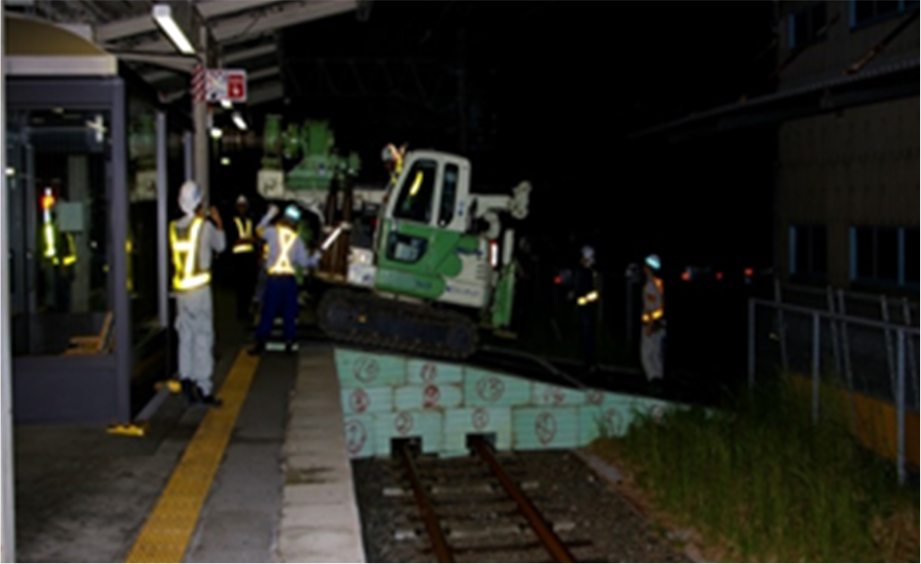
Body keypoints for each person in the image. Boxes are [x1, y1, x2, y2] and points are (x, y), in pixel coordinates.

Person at [169, 180, 225, 406]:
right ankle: (204, 387)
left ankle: (186, 380)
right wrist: (218, 222)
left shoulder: (175, 227)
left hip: (181, 292)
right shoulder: (204, 226)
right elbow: (220, 246)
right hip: (200, 291)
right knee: (203, 337)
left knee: (185, 337)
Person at [248, 204, 322, 355]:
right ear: (295, 223)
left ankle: (260, 342)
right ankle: (289, 343)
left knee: (268, 311)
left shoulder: (272, 232)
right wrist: (317, 256)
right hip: (288, 281)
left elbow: (258, 230)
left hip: (273, 279)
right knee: (290, 312)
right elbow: (305, 262)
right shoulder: (297, 240)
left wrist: (269, 214)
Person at [230, 194, 258, 321]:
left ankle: (246, 311)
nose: (242, 208)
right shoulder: (233, 222)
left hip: (250, 259)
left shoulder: (250, 221)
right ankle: (241, 313)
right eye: (240, 206)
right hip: (239, 260)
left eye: (244, 206)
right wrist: (247, 241)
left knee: (249, 288)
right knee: (241, 289)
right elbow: (233, 241)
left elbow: (256, 238)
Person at [573, 245, 601, 374]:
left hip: (588, 310)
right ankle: (585, 361)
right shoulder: (582, 271)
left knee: (588, 336)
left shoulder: (590, 273)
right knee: (583, 336)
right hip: (584, 309)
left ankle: (590, 363)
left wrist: (582, 300)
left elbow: (595, 293)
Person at [641, 253, 666, 382]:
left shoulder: (650, 286)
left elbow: (652, 308)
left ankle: (653, 380)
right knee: (656, 354)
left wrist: (650, 325)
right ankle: (659, 378)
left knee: (647, 354)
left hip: (652, 324)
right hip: (660, 324)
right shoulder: (659, 283)